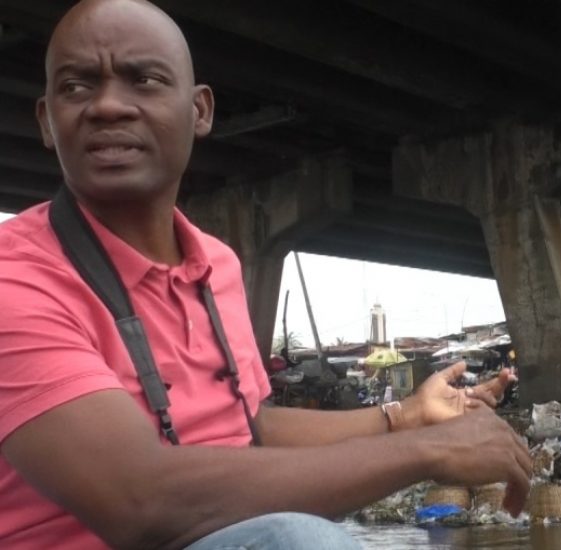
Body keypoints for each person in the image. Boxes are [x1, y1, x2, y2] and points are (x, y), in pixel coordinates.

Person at [0, 1, 532, 548]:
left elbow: (250, 427)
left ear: (199, 110)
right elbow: (139, 501)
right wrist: (430, 451)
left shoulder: (218, 266)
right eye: (77, 87)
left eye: (145, 79)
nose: (108, 105)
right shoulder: (14, 277)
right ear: (46, 120)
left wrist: (408, 415)